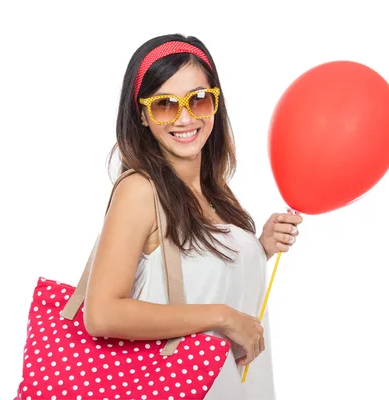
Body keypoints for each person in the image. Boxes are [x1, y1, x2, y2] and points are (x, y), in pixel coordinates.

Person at [83, 34, 303, 399]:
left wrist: (256, 249)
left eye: (199, 100)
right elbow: (102, 314)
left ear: (215, 103)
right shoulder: (140, 190)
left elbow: (196, 276)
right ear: (141, 114)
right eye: (165, 105)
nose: (186, 118)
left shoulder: (214, 189)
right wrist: (221, 316)